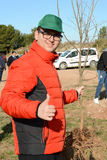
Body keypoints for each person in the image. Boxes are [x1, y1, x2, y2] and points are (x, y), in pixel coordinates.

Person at [0, 14, 84, 160]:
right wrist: (37, 109)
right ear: (36, 34)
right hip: (36, 148)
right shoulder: (26, 64)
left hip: (52, 145)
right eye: (46, 33)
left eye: (56, 35)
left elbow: (51, 96)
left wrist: (74, 94)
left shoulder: (46, 62)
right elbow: (7, 100)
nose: (51, 39)